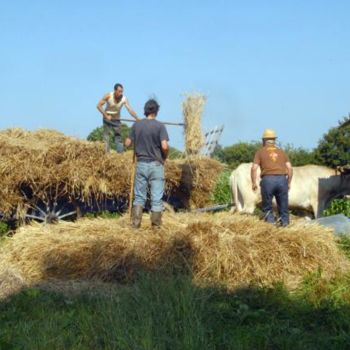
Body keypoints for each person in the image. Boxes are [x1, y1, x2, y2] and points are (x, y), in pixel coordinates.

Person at [125, 99, 169, 228]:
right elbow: (165, 146)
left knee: (139, 197)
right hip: (156, 165)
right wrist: (164, 157)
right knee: (156, 199)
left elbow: (127, 143)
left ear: (145, 110)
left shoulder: (137, 125)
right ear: (156, 111)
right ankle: (155, 227)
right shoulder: (160, 126)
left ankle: (135, 225)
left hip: (141, 164)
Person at [251, 129, 293, 226]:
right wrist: (289, 182)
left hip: (268, 180)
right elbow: (290, 168)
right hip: (282, 180)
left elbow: (254, 168)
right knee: (283, 207)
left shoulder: (260, 152)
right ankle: (285, 225)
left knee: (267, 208)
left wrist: (253, 183)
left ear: (264, 140)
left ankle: (271, 226)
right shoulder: (282, 152)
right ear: (274, 140)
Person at [97, 83, 139, 153]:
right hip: (107, 118)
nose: (120, 93)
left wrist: (136, 118)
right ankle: (107, 154)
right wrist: (106, 116)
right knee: (106, 136)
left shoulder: (124, 99)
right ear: (115, 91)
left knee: (118, 137)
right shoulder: (108, 95)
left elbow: (130, 109)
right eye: (119, 91)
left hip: (116, 119)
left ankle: (120, 154)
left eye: (122, 91)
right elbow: (98, 106)